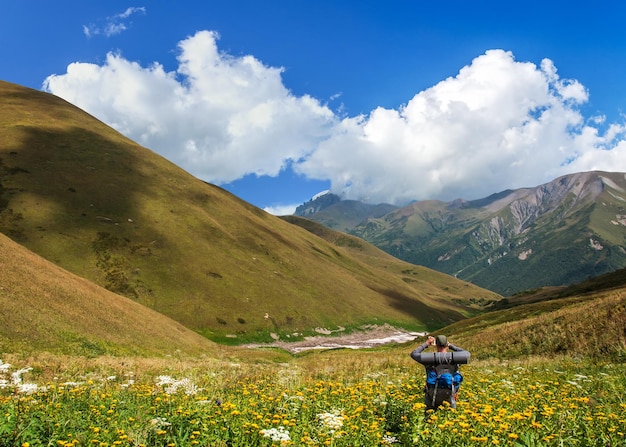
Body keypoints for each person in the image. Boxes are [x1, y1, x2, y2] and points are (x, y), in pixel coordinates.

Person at [410, 335, 469, 413]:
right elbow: (466, 353)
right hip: (450, 392)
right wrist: (451, 346)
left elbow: (414, 354)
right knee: (450, 416)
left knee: (429, 417)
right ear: (446, 345)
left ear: (436, 345)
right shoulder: (455, 358)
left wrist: (427, 343)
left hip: (432, 392)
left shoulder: (430, 359)